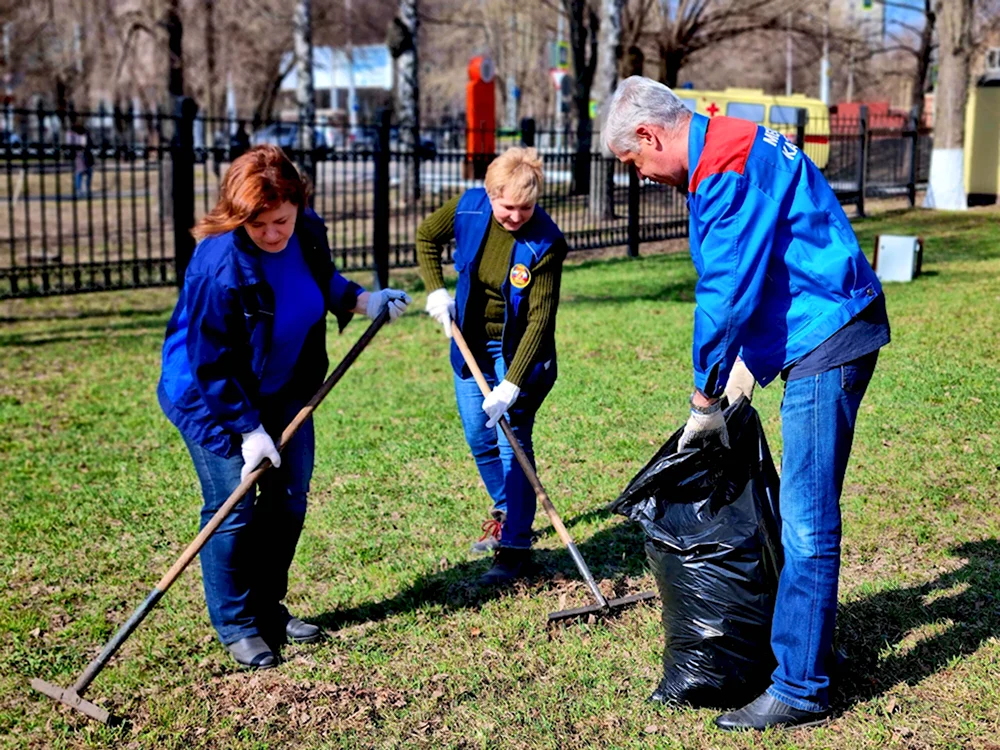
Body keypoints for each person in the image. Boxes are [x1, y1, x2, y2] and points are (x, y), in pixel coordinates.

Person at [604, 76, 890, 731]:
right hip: (822, 321)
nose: (643, 177)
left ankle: (801, 686)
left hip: (828, 334)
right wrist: (747, 371)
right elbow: (776, 258)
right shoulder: (728, 143)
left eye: (635, 163)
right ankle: (808, 646)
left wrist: (706, 393)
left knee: (808, 520)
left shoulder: (726, 164)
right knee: (801, 512)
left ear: (649, 135)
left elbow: (729, 290)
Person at [158, 145, 411, 669]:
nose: (273, 234)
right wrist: (249, 431)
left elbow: (323, 283)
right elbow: (209, 363)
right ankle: (237, 623)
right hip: (214, 398)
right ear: (238, 215)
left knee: (289, 500)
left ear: (297, 204)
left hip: (286, 387)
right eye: (258, 224)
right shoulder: (217, 265)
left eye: (281, 220)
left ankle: (268, 609)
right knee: (233, 509)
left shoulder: (308, 230)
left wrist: (367, 302)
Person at [416, 147, 568, 586]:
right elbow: (427, 237)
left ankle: (515, 548)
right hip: (471, 342)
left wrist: (512, 384)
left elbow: (540, 320)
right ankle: (508, 512)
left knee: (512, 439)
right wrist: (435, 291)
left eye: (526, 207)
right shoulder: (467, 207)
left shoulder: (546, 242)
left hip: (517, 349)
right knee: (478, 434)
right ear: (490, 194)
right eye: (508, 207)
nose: (517, 216)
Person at [66, 122, 94, 197]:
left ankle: (85, 189)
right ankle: (79, 190)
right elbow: (71, 145)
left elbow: (90, 143)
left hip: (86, 155)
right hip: (78, 155)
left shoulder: (86, 134)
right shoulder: (72, 134)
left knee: (88, 172)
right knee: (80, 173)